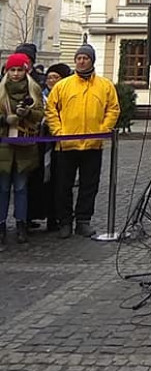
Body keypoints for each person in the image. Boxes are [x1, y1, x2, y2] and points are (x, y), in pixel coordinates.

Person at [45, 44, 120, 238]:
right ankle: (65, 221)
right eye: (78, 58)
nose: (81, 61)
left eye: (85, 58)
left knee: (89, 185)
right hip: (66, 144)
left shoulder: (105, 85)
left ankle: (83, 220)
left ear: (92, 60)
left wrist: (103, 129)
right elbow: (51, 110)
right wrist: (58, 130)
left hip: (93, 144)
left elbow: (113, 108)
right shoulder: (63, 85)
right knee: (63, 186)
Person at [0, 53, 45, 248]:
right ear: (7, 71)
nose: (16, 73)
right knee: (2, 189)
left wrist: (28, 113)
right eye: (12, 70)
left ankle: (21, 224)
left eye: (19, 70)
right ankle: (1, 226)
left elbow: (41, 114)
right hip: (3, 148)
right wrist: (4, 120)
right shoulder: (0, 91)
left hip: (25, 146)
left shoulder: (33, 91)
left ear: (25, 71)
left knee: (21, 189)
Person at [35, 63, 72, 232]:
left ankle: (56, 217)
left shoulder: (67, 96)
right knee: (43, 181)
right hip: (41, 145)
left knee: (60, 181)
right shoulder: (40, 96)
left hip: (62, 144)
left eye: (55, 77)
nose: (51, 80)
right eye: (49, 77)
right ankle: (40, 214)